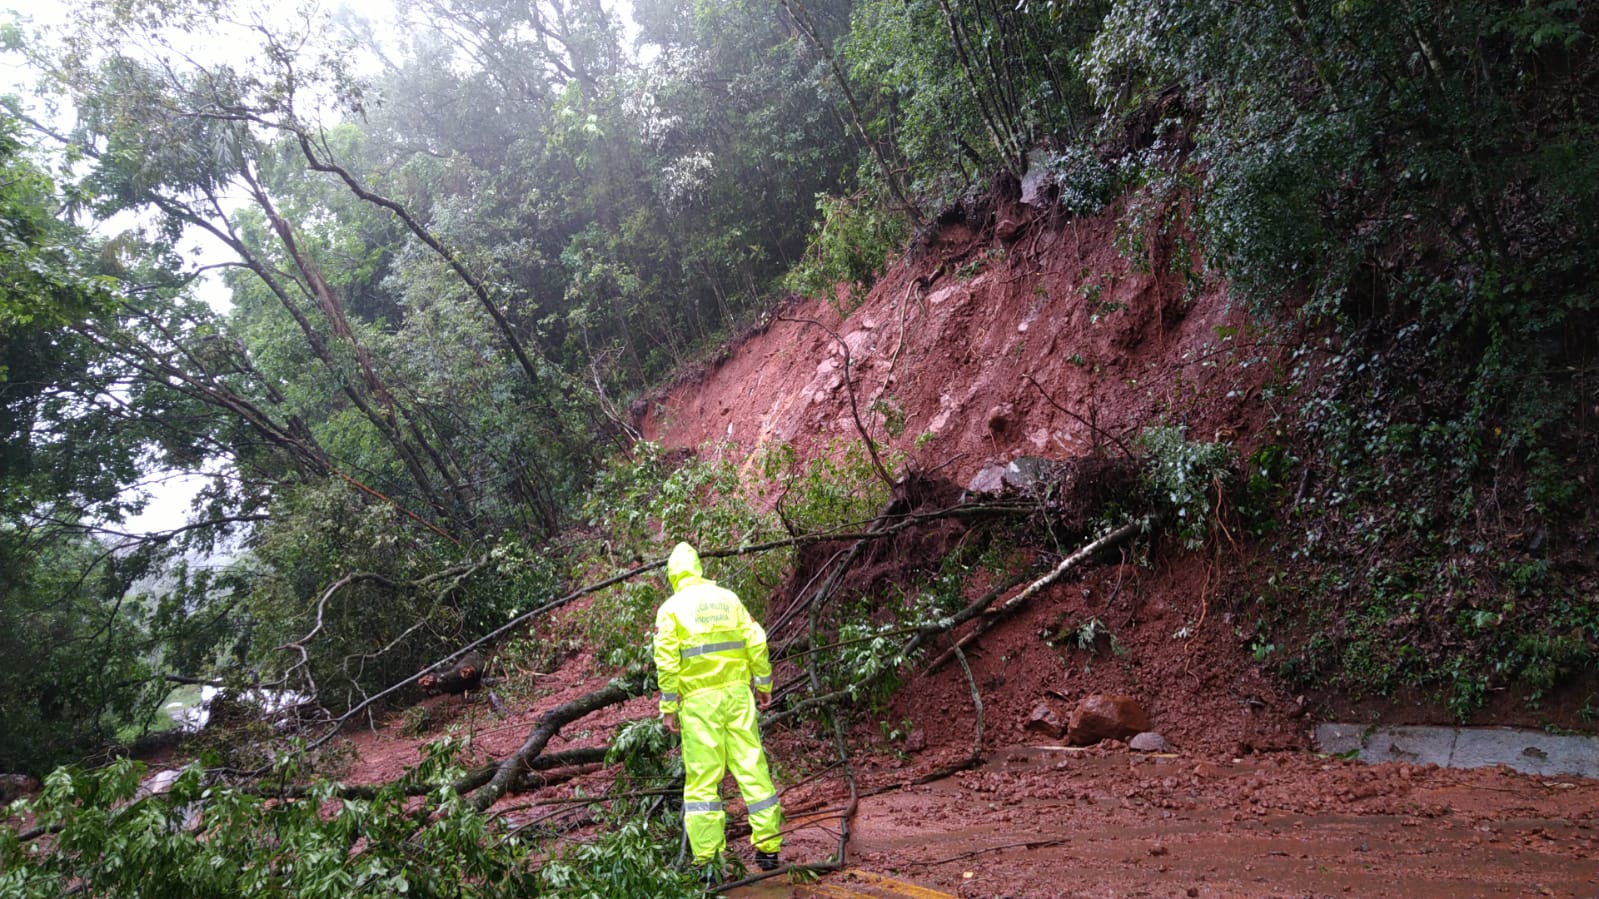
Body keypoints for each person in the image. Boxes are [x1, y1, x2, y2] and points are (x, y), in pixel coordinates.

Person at [653, 542, 783, 875]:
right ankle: (768, 851)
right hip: (738, 695)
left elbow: (667, 661)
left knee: (702, 782)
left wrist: (668, 705)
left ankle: (710, 861)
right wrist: (763, 684)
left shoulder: (671, 608)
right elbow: (756, 640)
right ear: (698, 567)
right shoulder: (729, 599)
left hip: (699, 704)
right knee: (752, 768)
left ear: (673, 575)